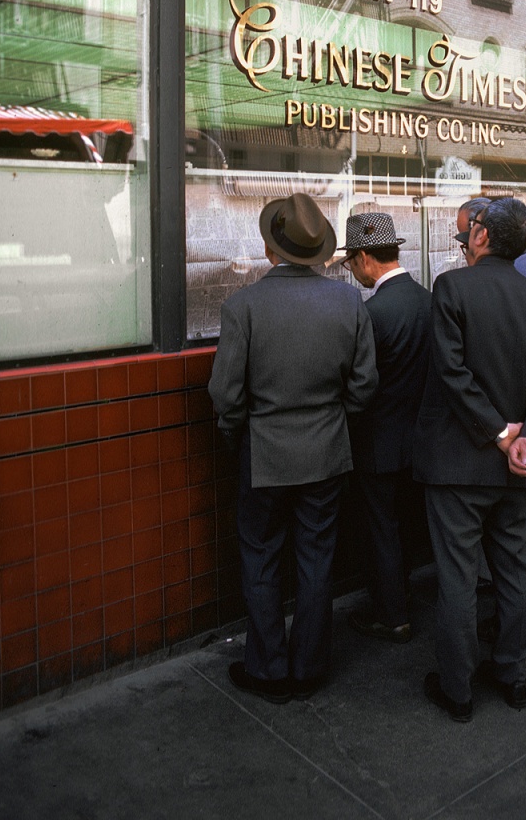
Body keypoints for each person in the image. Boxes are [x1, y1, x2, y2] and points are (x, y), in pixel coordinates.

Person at [209, 193, 378, 703]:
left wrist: (235, 433)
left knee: (260, 559)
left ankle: (267, 668)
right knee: (315, 558)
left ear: (270, 249)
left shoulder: (242, 306)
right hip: (327, 452)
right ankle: (309, 667)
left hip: (264, 455)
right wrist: (332, 419)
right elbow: (365, 385)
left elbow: (225, 393)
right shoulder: (348, 301)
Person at [414, 199, 526, 722]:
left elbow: (452, 374)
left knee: (458, 577)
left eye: (473, 229)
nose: (469, 236)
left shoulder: (452, 288)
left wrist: (500, 433)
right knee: (514, 567)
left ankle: (457, 689)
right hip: (519, 465)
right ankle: (511, 672)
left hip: (461, 463)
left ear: (481, 238)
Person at [341, 212, 431, 644]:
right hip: (421, 439)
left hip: (378, 442)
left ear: (363, 258)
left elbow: (360, 383)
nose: (352, 272)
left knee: (381, 529)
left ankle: (392, 614)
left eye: (349, 263)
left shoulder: (371, 313)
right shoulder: (428, 299)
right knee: (409, 524)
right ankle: (406, 595)